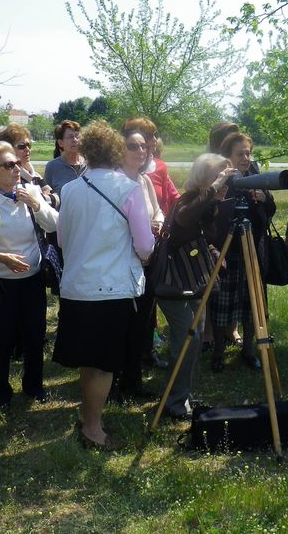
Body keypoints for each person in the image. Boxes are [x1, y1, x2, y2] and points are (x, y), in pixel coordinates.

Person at [52, 120, 154, 449]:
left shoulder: (70, 189)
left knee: (90, 361)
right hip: (110, 287)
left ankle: (88, 418)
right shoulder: (128, 189)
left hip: (77, 285)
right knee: (103, 365)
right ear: (115, 151)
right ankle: (93, 429)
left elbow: (62, 239)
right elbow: (145, 246)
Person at [156, 153, 236, 419]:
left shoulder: (208, 205)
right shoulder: (188, 200)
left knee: (196, 337)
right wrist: (214, 190)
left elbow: (204, 235)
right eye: (219, 176)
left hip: (194, 280)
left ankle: (184, 395)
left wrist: (212, 249)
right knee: (186, 341)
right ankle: (174, 402)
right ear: (204, 178)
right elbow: (184, 220)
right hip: (174, 283)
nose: (224, 182)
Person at [0, 141, 58, 407]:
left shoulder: (30, 190)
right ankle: (0, 391)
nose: (17, 168)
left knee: (35, 333)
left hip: (33, 278)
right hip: (1, 281)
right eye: (9, 165)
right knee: (2, 336)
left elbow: (54, 225)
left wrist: (37, 204)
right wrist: (0, 258)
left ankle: (34, 386)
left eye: (17, 163)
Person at [211, 132, 276, 372]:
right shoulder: (221, 179)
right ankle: (218, 351)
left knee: (252, 303)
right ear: (228, 156)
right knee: (221, 302)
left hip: (253, 248)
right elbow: (211, 215)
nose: (246, 158)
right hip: (227, 251)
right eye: (240, 154)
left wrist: (264, 198)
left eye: (248, 153)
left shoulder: (255, 176)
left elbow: (269, 212)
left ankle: (248, 350)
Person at [113, 128, 164, 401]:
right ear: (120, 150)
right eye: (133, 146)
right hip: (123, 263)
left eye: (144, 146)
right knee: (122, 326)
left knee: (142, 324)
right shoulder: (116, 182)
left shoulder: (143, 180)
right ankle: (114, 382)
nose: (141, 151)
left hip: (147, 261)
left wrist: (158, 222)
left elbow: (158, 210)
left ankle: (133, 381)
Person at [123, 117, 179, 216]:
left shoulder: (160, 166)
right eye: (149, 135)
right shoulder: (119, 170)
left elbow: (172, 197)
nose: (154, 139)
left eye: (155, 134)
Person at [0, 123, 58, 209]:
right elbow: (24, 205)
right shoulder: (11, 177)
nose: (27, 149)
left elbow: (57, 199)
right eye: (21, 146)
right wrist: (43, 197)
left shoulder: (35, 175)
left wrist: (35, 199)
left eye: (29, 145)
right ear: (7, 149)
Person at [44, 119, 85, 197]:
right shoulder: (52, 167)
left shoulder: (89, 165)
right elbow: (47, 196)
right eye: (70, 137)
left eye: (77, 136)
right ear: (61, 143)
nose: (75, 140)